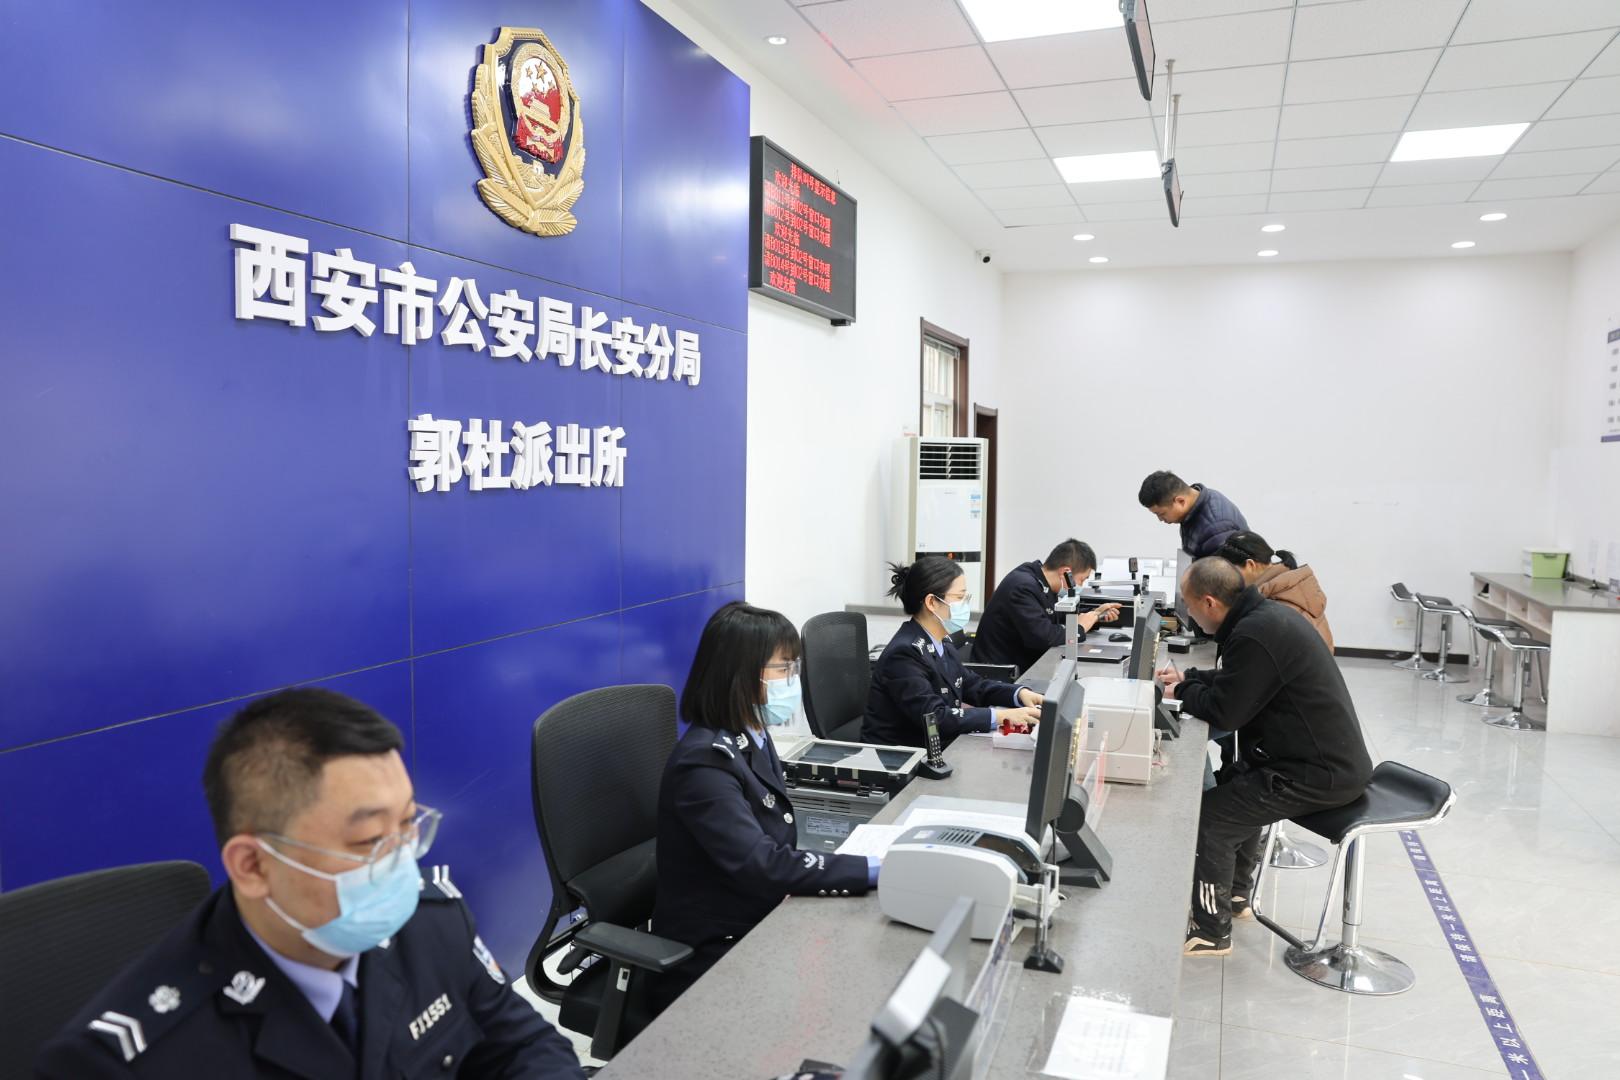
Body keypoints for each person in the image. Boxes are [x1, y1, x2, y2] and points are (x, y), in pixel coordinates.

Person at [35, 689, 584, 1078]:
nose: (402, 864)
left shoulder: (431, 923)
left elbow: (522, 1046)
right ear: (253, 866)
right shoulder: (127, 1061)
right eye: (370, 840)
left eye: (407, 826)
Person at [649, 601, 877, 1015]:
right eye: (783, 668)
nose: (794, 679)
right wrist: (871, 869)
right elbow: (762, 864)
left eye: (795, 666)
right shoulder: (705, 763)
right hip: (713, 947)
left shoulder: (750, 732)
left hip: (755, 909)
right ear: (740, 675)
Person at [1156, 559, 1371, 958]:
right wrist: (1191, 680)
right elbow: (1241, 682)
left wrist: (1179, 694)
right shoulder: (1263, 619)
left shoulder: (1254, 633)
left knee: (1212, 816)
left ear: (1209, 603)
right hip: (1317, 762)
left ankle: (1211, 930)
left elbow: (1226, 713)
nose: (1189, 616)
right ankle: (1237, 896)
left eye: (1189, 606)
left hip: (1317, 774)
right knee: (1238, 787)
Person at [863, 556, 1043, 748]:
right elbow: (935, 717)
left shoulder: (943, 642)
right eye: (959, 598)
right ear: (932, 602)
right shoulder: (904, 654)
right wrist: (1001, 716)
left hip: (936, 746)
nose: (965, 604)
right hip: (902, 757)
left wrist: (1018, 694)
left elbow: (973, 686)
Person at [970, 539, 1121, 674]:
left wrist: (1095, 615)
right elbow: (1043, 637)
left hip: (1024, 664)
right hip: (1000, 674)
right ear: (1066, 572)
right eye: (1082, 579)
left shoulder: (1041, 582)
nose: (1081, 585)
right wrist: (1079, 628)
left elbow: (1056, 615)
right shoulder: (1023, 587)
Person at [1215, 530, 1335, 651]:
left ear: (1250, 565)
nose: (1228, 579)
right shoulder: (1292, 586)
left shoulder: (1275, 604)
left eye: (1230, 571)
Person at [1137, 471, 1249, 558]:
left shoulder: (1216, 527)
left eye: (1161, 513)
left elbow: (1222, 578)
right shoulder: (1197, 502)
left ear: (1180, 501)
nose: (1160, 519)